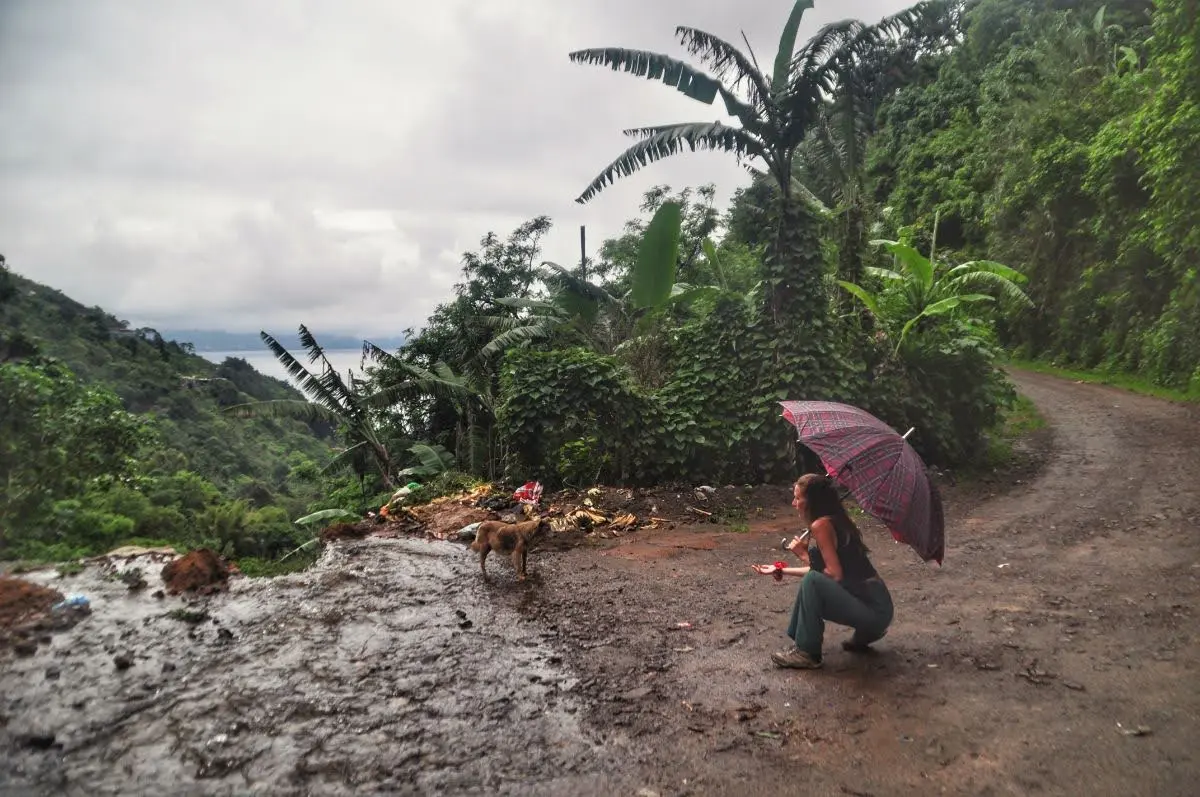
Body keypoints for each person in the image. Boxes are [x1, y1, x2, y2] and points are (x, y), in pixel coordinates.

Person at [751, 474, 894, 669]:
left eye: (798, 498)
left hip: (874, 610)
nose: (794, 503)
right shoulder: (833, 520)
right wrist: (781, 569)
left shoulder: (822, 526)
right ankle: (807, 641)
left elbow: (832, 575)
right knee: (813, 580)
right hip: (879, 608)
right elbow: (823, 570)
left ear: (812, 501)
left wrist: (802, 554)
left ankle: (807, 652)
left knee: (812, 581)